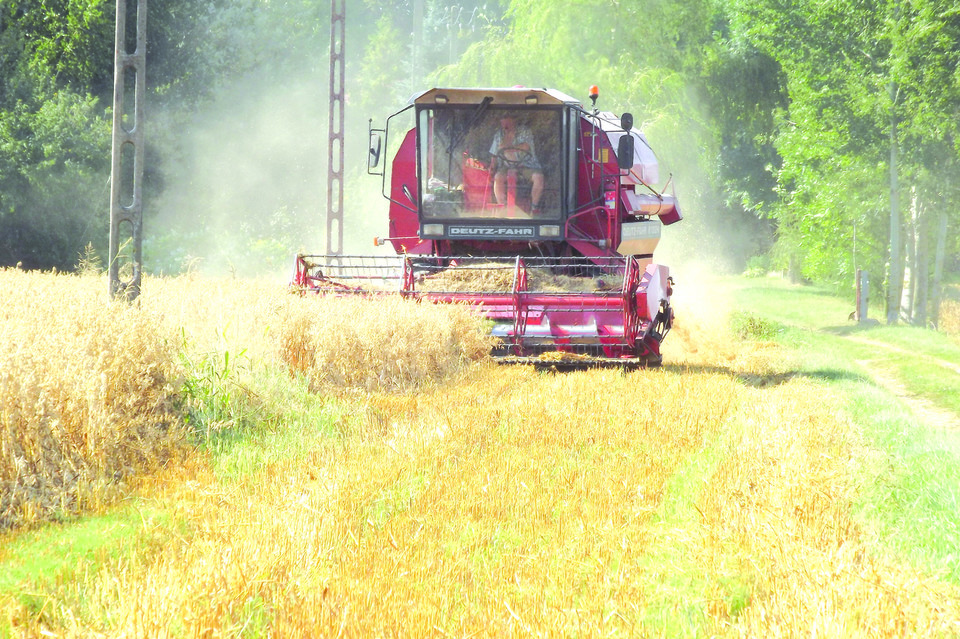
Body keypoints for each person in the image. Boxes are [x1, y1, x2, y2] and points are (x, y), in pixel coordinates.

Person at [488, 115, 545, 213]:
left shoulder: (525, 132)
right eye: (503, 122)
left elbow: (525, 147)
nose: (505, 125)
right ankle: (503, 207)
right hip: (506, 166)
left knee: (538, 177)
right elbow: (494, 155)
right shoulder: (498, 135)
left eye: (507, 122)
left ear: (513, 120)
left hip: (527, 165)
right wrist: (491, 171)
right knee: (498, 178)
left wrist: (507, 146)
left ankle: (534, 208)